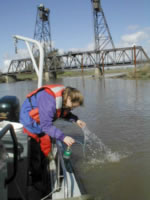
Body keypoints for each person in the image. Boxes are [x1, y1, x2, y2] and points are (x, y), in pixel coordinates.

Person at [19, 84, 86, 195]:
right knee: (36, 152)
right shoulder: (49, 99)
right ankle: (37, 183)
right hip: (30, 122)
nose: (73, 108)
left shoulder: (63, 98)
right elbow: (46, 126)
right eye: (73, 106)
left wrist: (76, 119)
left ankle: (43, 170)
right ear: (69, 98)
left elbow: (63, 113)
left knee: (45, 149)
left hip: (41, 121)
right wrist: (63, 137)